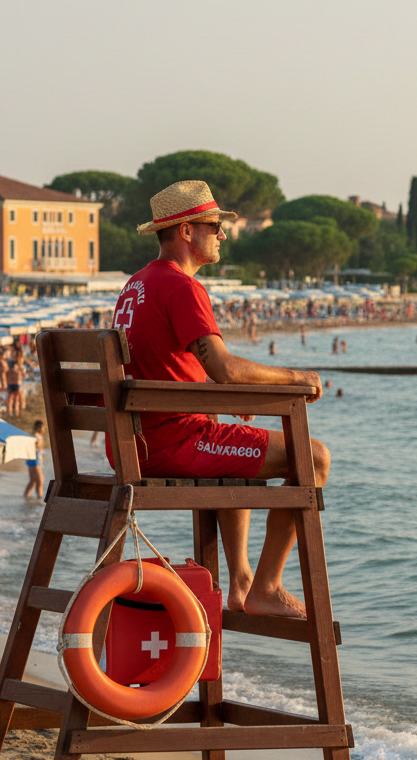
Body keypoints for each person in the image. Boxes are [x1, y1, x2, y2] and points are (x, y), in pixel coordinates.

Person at [109, 180, 329, 619]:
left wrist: (225, 394)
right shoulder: (182, 287)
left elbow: (166, 367)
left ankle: (243, 581)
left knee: (238, 442)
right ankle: (266, 587)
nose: (223, 234)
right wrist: (297, 378)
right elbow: (224, 366)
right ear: (187, 231)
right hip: (171, 442)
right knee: (315, 457)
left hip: (133, 444)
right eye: (215, 226)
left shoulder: (136, 285)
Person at [24, 420, 45, 500]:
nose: (41, 429)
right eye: (40, 427)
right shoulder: (37, 436)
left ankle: (26, 496)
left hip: (32, 458)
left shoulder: (36, 436)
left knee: (33, 480)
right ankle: (39, 498)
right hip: (35, 459)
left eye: (42, 427)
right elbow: (36, 448)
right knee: (40, 480)